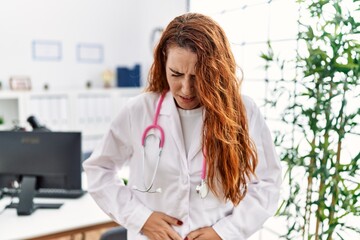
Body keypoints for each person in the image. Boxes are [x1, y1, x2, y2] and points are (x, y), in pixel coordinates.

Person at [83, 12, 282, 240]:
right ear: (163, 64)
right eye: (176, 74)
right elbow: (99, 170)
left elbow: (267, 183)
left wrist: (225, 232)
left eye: (199, 77)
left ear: (217, 72)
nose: (186, 89)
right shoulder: (139, 111)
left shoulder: (243, 111)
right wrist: (140, 218)